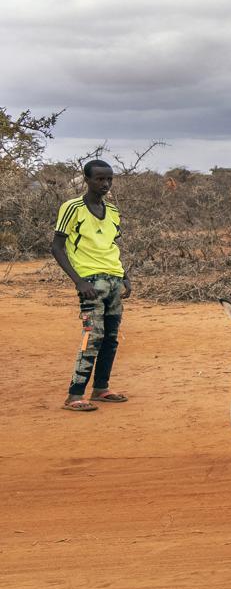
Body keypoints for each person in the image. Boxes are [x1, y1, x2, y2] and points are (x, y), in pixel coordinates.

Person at [55, 159, 132, 411]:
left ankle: (101, 388)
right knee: (92, 336)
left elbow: (112, 246)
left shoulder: (112, 211)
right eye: (99, 179)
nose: (105, 184)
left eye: (109, 179)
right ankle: (75, 395)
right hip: (90, 282)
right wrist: (78, 281)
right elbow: (56, 247)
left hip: (113, 280)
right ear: (87, 180)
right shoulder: (72, 207)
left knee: (111, 337)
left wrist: (124, 276)